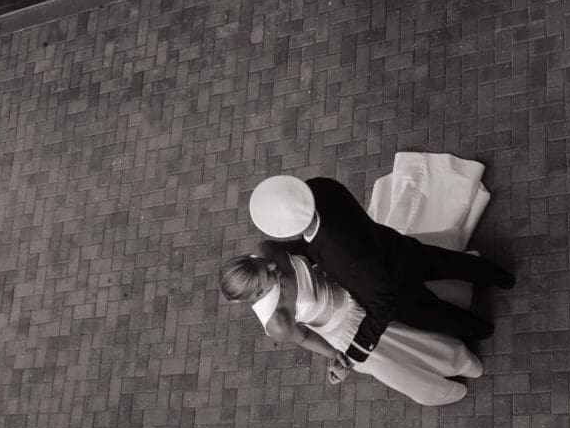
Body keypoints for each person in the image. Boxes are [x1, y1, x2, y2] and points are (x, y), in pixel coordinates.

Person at [248, 153, 515, 367]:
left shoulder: (343, 258)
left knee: (438, 315)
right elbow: (313, 244)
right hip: (395, 246)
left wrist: (355, 353)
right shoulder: (321, 187)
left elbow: (381, 303)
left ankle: (481, 329)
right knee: (448, 262)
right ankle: (501, 276)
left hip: (397, 289)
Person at [219, 244, 481, 406]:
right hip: (347, 327)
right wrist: (333, 354)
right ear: (257, 295)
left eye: (262, 263)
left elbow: (306, 250)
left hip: (351, 284)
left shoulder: (267, 248)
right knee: (404, 350)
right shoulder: (277, 322)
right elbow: (305, 337)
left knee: (413, 302)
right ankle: (455, 362)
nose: (273, 264)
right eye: (269, 274)